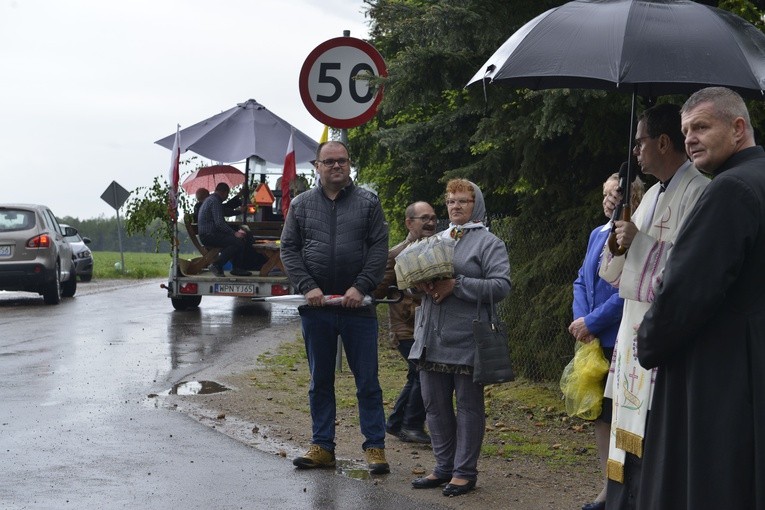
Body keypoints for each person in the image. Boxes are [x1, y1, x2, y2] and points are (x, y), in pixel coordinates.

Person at [635, 87, 765, 509]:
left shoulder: (730, 189)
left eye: (702, 127)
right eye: (686, 129)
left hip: (720, 371)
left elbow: (687, 290)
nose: (689, 137)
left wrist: (647, 341)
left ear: (738, 128)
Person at [598, 103, 709, 510]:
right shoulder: (652, 196)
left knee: (657, 436)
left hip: (662, 336)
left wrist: (639, 243)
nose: (636, 151)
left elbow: (692, 268)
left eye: (640, 141)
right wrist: (618, 238)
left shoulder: (698, 191)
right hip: (633, 332)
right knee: (627, 433)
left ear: (663, 142)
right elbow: (613, 272)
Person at [280, 140, 390, 474]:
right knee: (320, 381)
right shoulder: (300, 205)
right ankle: (323, 447)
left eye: (341, 161)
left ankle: (375, 447)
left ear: (349, 164)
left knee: (367, 381)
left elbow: (378, 250)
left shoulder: (369, 203)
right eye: (329, 162)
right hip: (318, 309)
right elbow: (289, 249)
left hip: (359, 309)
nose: (336, 166)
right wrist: (307, 286)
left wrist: (361, 286)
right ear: (317, 167)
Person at [408, 179, 511, 497]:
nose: (455, 206)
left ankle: (464, 473)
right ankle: (443, 467)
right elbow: (413, 281)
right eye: (451, 201)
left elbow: (501, 286)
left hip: (467, 339)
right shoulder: (436, 238)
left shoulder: (489, 243)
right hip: (430, 338)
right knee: (434, 406)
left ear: (475, 204)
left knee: (468, 407)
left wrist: (458, 284)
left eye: (463, 201)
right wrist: (418, 284)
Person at [570, 170, 644, 510]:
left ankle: (631, 489)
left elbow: (629, 288)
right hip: (592, 337)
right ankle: (606, 487)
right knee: (601, 417)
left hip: (620, 338)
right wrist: (581, 319)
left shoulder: (635, 236)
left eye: (615, 193)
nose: (608, 199)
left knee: (622, 416)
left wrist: (594, 321)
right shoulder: (596, 233)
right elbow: (581, 281)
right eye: (605, 193)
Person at [375, 201, 438, 444]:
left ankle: (395, 422)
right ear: (409, 223)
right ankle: (411, 426)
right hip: (407, 328)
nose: (430, 222)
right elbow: (378, 290)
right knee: (423, 372)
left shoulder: (438, 249)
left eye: (432, 217)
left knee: (417, 373)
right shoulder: (396, 254)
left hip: (429, 325)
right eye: (424, 218)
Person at [197, 182, 252, 277]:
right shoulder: (215, 201)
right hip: (209, 235)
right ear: (224, 192)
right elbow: (219, 223)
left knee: (238, 240)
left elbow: (225, 211)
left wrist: (239, 211)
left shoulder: (212, 200)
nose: (226, 197)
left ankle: (236, 268)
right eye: (227, 195)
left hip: (208, 234)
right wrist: (234, 233)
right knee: (238, 241)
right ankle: (217, 265)